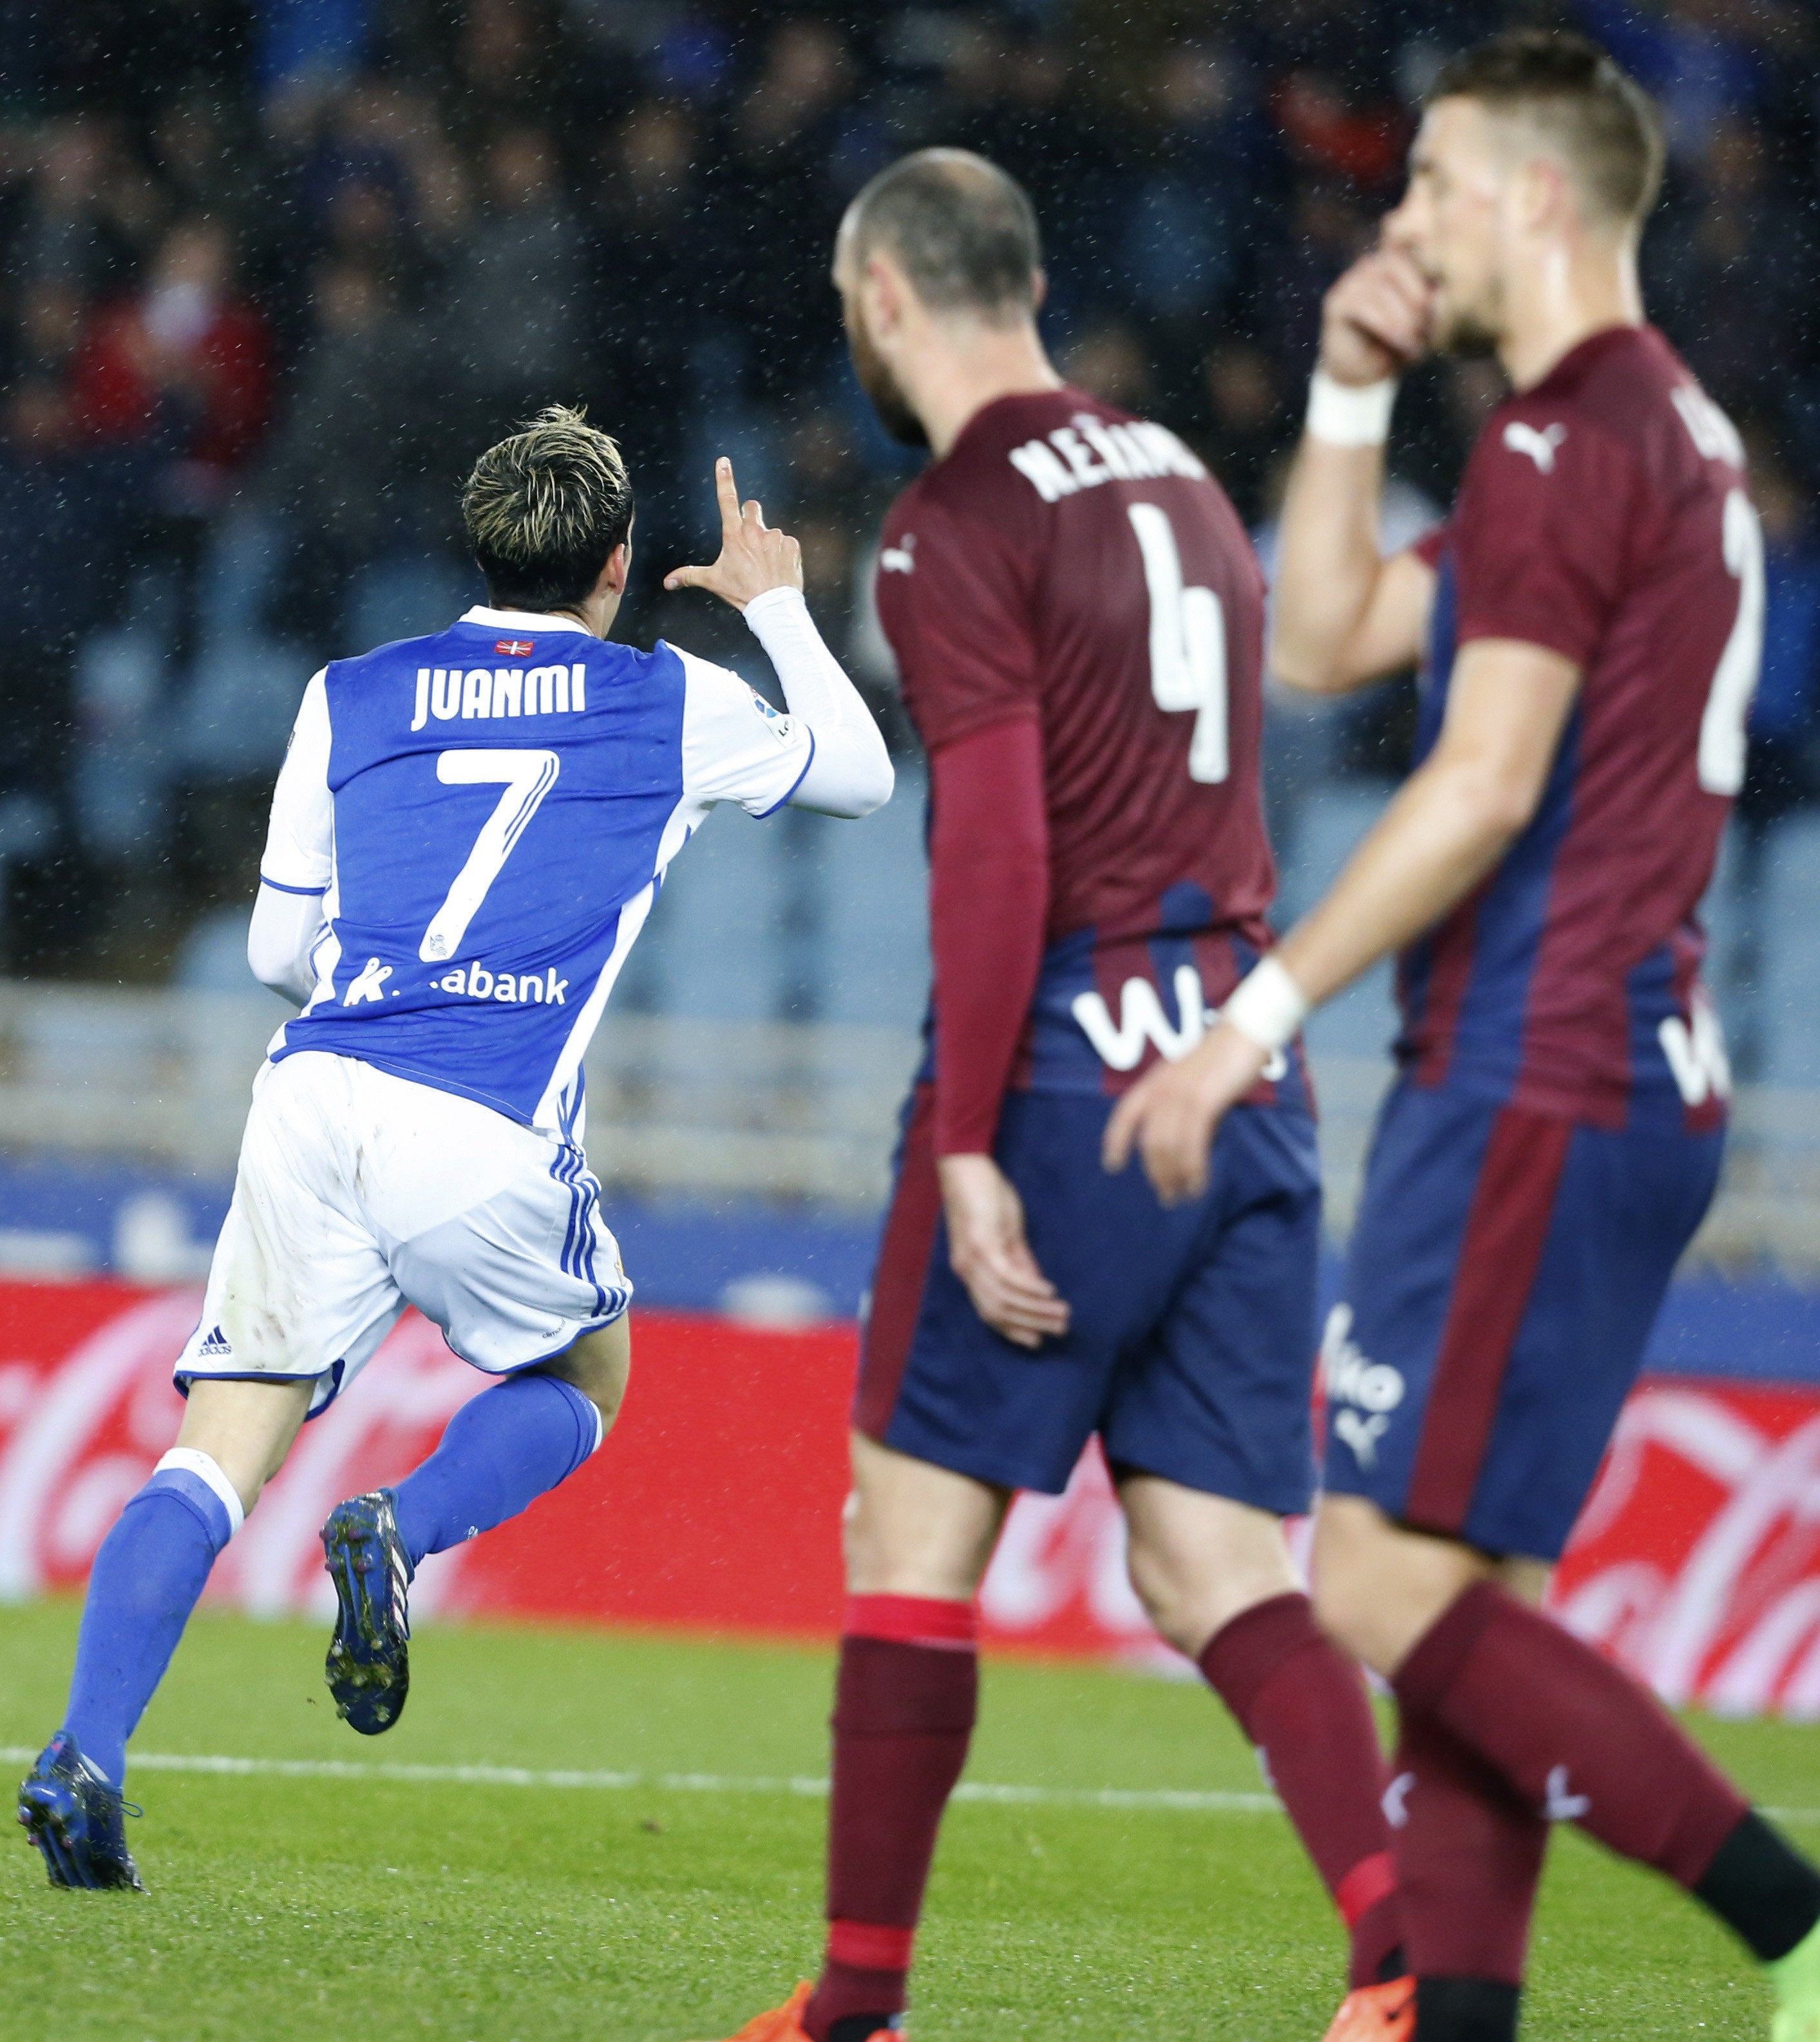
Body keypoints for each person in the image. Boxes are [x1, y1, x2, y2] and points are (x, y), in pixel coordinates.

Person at [1105, 32, 1820, 2042]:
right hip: (1616, 1075)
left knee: (1368, 1587)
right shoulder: (1651, 438)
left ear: (1531, 197)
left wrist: (1251, 1015)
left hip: (1531, 1066)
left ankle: (1790, 1916)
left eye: (1425, 183)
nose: (1399, 217)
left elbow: (1485, 779)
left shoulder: (1560, 445)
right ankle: (1464, 2019)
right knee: (1454, 1609)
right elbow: (1321, 631)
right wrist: (1349, 382)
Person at [721, 151, 1410, 2042]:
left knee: (910, 1537)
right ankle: (1399, 1946)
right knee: (1206, 1561)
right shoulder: (1180, 474)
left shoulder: (949, 523)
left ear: (881, 298)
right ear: (1018, 278)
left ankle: (857, 2003)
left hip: (1067, 1070)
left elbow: (999, 855)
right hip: (1237, 1062)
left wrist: (963, 1143)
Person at [15, 405, 893, 1889]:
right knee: (587, 1372)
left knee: (214, 1451)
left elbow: (279, 942)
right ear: (618, 564)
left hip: (315, 1092)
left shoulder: (351, 692)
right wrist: (783, 610)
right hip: (478, 1115)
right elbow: (863, 774)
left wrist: (391, 981)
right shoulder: (661, 698)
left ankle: (86, 1751)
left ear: (476, 548)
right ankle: (400, 1526)